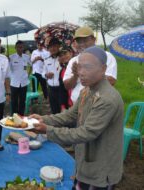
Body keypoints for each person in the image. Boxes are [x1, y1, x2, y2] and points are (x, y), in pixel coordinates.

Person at [30, 46, 124, 189]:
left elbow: (86, 133)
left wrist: (47, 130)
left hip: (101, 168)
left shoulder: (107, 98)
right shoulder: (87, 90)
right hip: (85, 163)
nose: (81, 73)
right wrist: (44, 119)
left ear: (104, 69)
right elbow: (71, 114)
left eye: (87, 67)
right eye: (79, 67)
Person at [63, 26, 117, 104]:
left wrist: (89, 74)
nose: (82, 44)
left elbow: (111, 81)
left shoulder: (106, 56)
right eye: (79, 41)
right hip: (76, 105)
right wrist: (75, 75)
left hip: (98, 103)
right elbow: (67, 86)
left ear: (94, 40)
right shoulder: (73, 60)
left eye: (85, 40)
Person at [9, 40, 31, 115]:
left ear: (23, 48)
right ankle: (14, 115)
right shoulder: (11, 57)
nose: (20, 49)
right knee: (14, 101)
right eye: (18, 47)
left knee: (22, 100)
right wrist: (7, 60)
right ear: (15, 48)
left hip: (24, 82)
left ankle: (21, 115)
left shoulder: (26, 57)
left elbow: (31, 65)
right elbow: (7, 69)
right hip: (14, 83)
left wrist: (28, 73)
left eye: (21, 47)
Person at [42, 38, 61, 114]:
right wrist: (46, 75)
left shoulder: (62, 58)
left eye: (55, 46)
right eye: (51, 47)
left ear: (59, 47)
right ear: (48, 48)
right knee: (53, 108)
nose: (53, 48)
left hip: (61, 88)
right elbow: (43, 73)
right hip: (51, 88)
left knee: (62, 109)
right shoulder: (46, 60)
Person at [58, 46, 74, 111]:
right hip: (69, 105)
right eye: (61, 55)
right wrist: (62, 106)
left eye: (65, 54)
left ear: (71, 53)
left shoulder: (80, 65)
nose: (63, 57)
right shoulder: (62, 71)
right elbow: (62, 90)